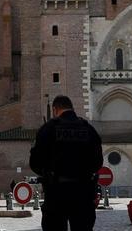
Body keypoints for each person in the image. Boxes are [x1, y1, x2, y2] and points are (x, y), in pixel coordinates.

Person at [30, 95, 103, 231]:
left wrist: (48, 172)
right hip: (83, 193)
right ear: (72, 108)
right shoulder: (88, 129)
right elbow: (98, 162)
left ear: (55, 109)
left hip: (56, 193)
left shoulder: (48, 129)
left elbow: (35, 163)